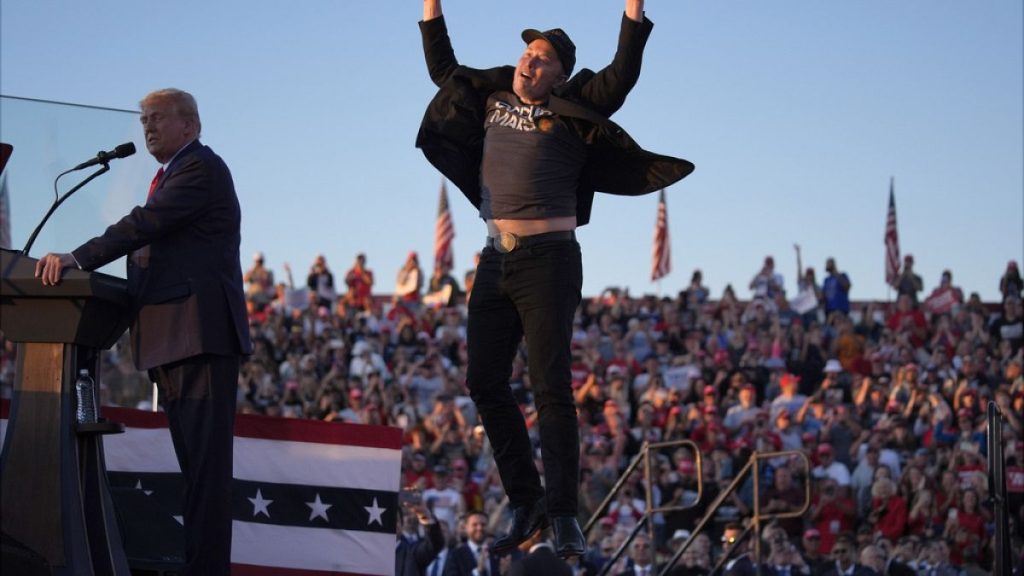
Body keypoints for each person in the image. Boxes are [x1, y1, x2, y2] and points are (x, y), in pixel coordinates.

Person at [417, 0, 692, 558]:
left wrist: (633, 14)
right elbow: (445, 71)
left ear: (560, 74)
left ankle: (565, 514)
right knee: (484, 383)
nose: (529, 62)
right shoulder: (491, 98)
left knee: (550, 386)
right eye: (526, 53)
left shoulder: (573, 107)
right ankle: (527, 502)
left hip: (549, 260)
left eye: (542, 58)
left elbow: (621, 75)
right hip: (495, 258)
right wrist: (432, 9)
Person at [35, 88, 251, 575]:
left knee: (205, 476)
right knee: (195, 473)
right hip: (172, 341)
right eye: (143, 120)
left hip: (199, 338)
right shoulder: (169, 176)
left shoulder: (200, 169)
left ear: (189, 127)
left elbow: (144, 225)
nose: (147, 127)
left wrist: (77, 258)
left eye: (156, 119)